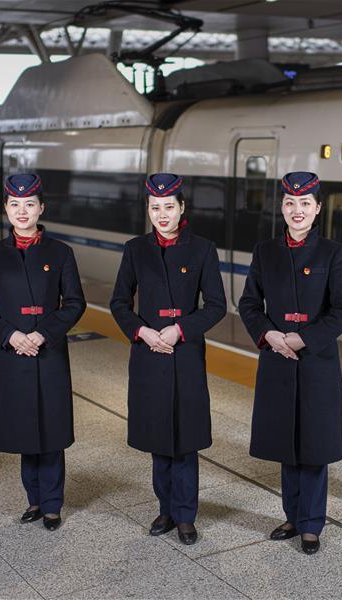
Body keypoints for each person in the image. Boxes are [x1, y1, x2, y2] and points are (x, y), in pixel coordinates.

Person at [239, 172, 342, 555]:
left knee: (314, 446)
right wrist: (270, 336)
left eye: (305, 203)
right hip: (277, 360)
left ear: (318, 208)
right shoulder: (265, 251)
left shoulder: (334, 254)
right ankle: (291, 515)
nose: (297, 210)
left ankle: (311, 523)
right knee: (286, 442)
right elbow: (250, 305)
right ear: (282, 207)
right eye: (290, 203)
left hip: (317, 361)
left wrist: (303, 338)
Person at [109, 173, 226, 545]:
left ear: (182, 209)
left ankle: (187, 515)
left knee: (185, 439)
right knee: (158, 437)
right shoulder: (135, 248)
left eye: (169, 207)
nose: (162, 214)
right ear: (148, 208)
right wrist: (142, 332)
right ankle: (165, 509)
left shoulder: (203, 249)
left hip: (185, 352)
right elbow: (118, 302)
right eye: (155, 207)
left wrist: (180, 329)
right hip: (148, 353)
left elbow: (217, 306)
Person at [0, 173, 86, 531]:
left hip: (48, 354)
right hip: (11, 356)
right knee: (23, 428)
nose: (22, 211)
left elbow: (75, 303)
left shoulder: (60, 253)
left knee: (50, 429)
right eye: (15, 204)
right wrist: (10, 335)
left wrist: (42, 334)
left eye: (30, 204)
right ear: (6, 208)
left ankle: (52, 504)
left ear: (41, 208)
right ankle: (33, 500)